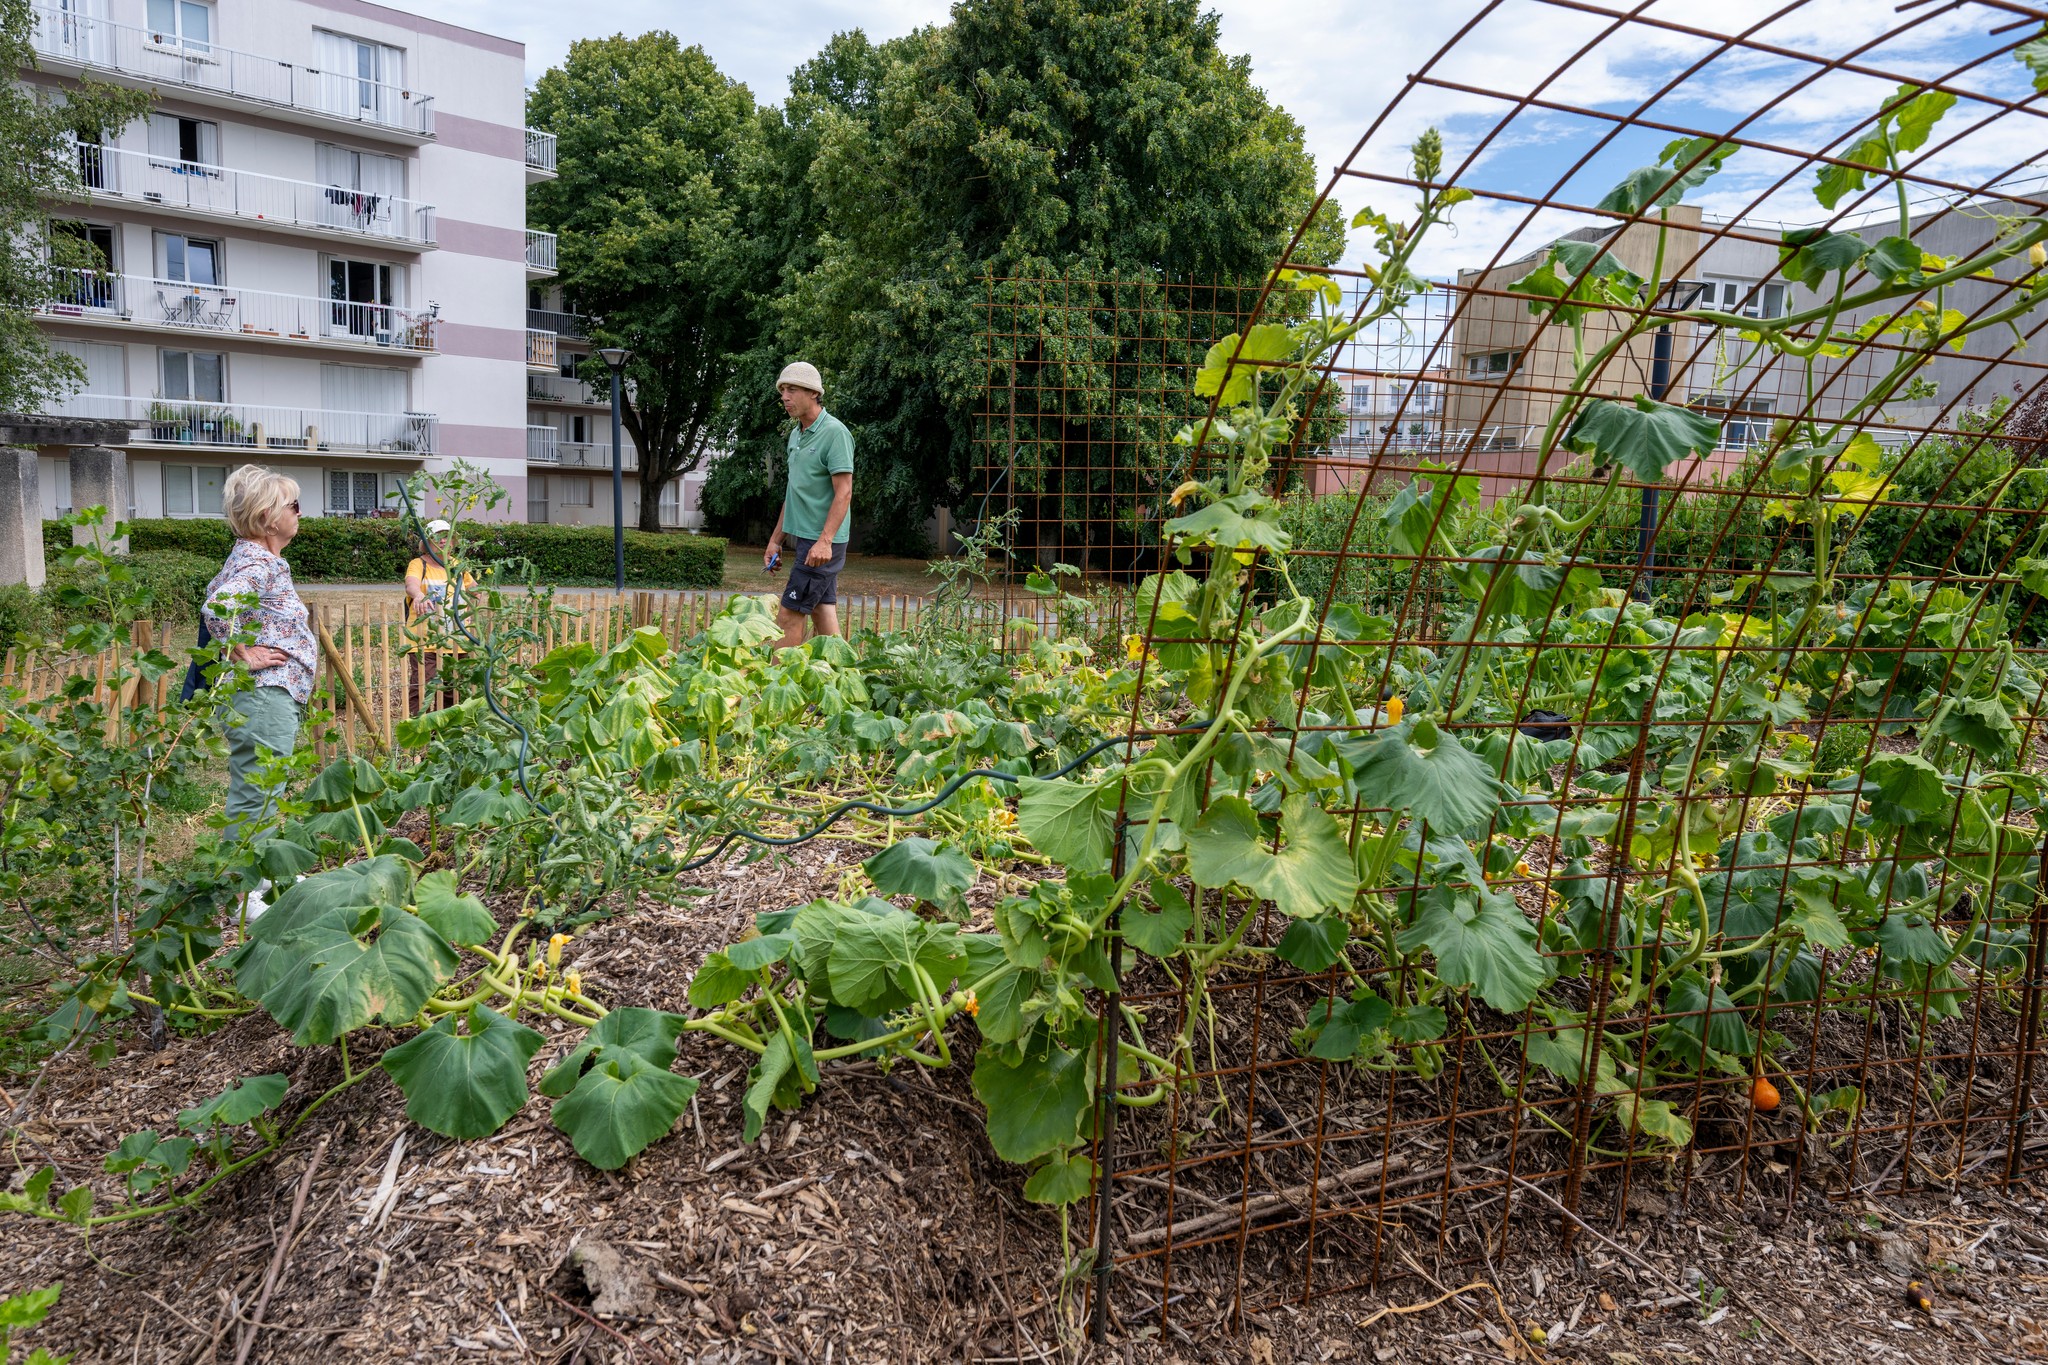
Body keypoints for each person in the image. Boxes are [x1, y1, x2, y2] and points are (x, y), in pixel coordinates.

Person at [201, 466, 315, 920]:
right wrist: (241, 653)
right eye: (294, 505)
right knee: (256, 790)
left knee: (266, 787)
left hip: (269, 695)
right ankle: (240, 892)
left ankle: (262, 877)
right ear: (269, 516)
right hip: (263, 692)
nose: (299, 513)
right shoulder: (259, 562)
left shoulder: (255, 558)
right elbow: (219, 605)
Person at [763, 361, 853, 651]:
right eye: (782, 390)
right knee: (822, 611)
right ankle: (844, 682)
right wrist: (776, 539)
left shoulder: (835, 433)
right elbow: (794, 492)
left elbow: (844, 493)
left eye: (792, 389)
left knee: (789, 615)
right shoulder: (796, 435)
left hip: (822, 543)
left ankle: (776, 688)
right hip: (805, 539)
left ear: (813, 393)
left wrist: (824, 541)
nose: (784, 397)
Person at [404, 517, 473, 713]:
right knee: (423, 687)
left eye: (447, 537)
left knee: (452, 689)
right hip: (425, 639)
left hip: (455, 639)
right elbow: (411, 584)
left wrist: (474, 601)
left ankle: (445, 733)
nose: (443, 541)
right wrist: (418, 595)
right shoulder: (418, 564)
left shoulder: (458, 566)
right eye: (437, 537)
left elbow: (474, 589)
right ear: (427, 542)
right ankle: (420, 731)